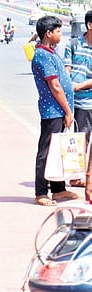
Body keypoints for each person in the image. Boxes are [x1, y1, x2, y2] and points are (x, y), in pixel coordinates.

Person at [31, 15, 79, 206]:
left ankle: (58, 189)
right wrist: (68, 111)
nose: (60, 34)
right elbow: (55, 86)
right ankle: (41, 192)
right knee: (46, 151)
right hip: (53, 110)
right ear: (48, 34)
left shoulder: (51, 52)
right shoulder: (42, 55)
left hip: (58, 110)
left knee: (57, 151)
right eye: (58, 31)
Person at [63, 10, 92, 188]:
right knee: (81, 139)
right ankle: (76, 176)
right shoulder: (73, 44)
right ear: (90, 26)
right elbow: (67, 69)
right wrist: (70, 87)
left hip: (85, 95)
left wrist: (79, 86)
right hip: (80, 103)